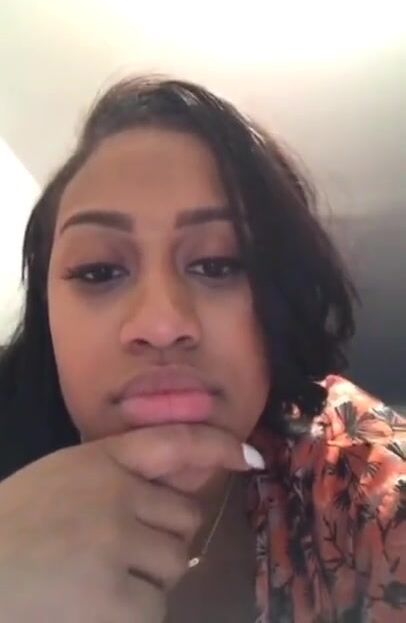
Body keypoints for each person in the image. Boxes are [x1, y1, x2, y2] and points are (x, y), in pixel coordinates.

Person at [0, 75, 404, 623]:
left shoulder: (353, 471)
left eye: (217, 264)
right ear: (47, 314)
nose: (162, 325)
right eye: (99, 271)